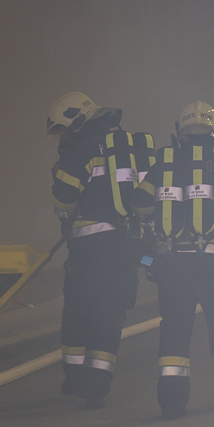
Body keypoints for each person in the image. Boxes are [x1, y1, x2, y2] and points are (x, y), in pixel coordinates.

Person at [132, 101, 214, 419]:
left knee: (174, 330)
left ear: (179, 131)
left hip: (170, 264)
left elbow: (139, 205)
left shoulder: (163, 166)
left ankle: (172, 402)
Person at [46, 92, 155, 408]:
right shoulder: (127, 149)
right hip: (126, 248)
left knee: (77, 312)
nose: (63, 137)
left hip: (88, 251)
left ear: (76, 122)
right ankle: (97, 387)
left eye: (63, 130)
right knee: (110, 316)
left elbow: (64, 196)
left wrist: (66, 219)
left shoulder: (82, 148)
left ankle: (74, 379)